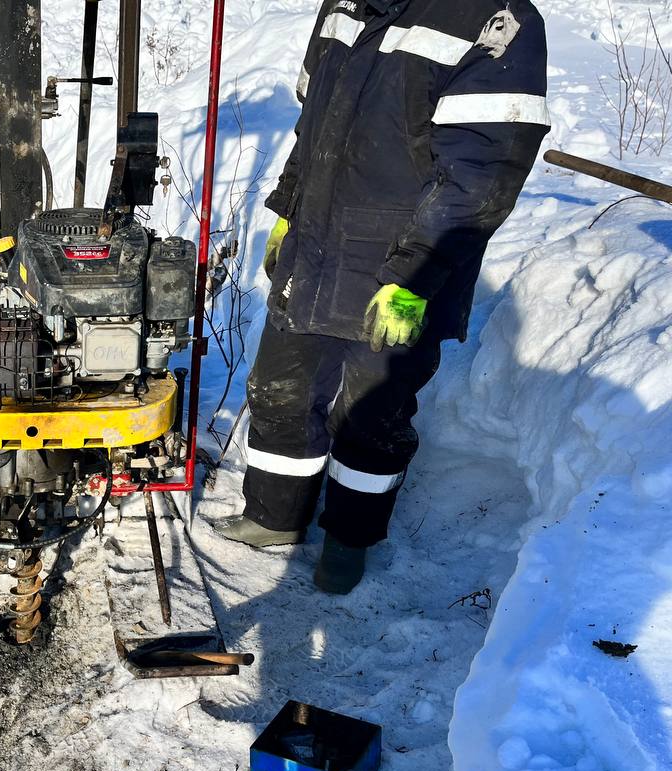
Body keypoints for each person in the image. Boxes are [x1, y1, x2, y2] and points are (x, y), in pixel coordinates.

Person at [218, 0, 550, 593]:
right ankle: (274, 518)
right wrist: (287, 210)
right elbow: (312, 127)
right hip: (315, 242)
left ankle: (350, 539)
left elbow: (482, 175)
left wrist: (414, 277)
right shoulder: (348, 3)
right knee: (281, 387)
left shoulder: (496, 21)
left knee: (374, 411)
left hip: (401, 263)